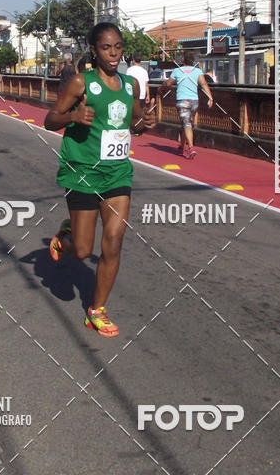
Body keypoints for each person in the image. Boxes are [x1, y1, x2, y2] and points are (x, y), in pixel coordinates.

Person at [44, 22, 156, 338]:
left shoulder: (130, 85)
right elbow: (50, 120)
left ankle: (97, 310)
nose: (113, 53)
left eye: (118, 47)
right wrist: (73, 117)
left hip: (117, 173)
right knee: (82, 251)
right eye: (106, 48)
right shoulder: (82, 82)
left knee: (114, 242)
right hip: (82, 171)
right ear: (94, 50)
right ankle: (64, 238)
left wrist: (145, 123)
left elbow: (133, 124)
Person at [158, 50, 213, 159]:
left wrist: (161, 88)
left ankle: (191, 147)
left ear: (183, 60)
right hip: (194, 102)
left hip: (182, 101)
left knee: (186, 124)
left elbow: (168, 84)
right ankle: (182, 146)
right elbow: (204, 84)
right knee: (186, 123)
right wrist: (210, 97)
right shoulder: (197, 71)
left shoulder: (177, 71)